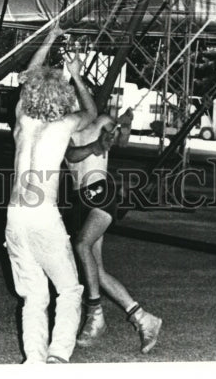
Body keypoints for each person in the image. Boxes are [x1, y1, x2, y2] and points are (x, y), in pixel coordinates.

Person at [5, 24, 97, 365]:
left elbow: (29, 75)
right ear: (61, 97)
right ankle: (58, 355)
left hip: (15, 215)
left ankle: (34, 359)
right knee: (70, 290)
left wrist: (50, 37)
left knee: (34, 295)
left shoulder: (22, 120)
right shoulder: (64, 125)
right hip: (43, 215)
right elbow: (91, 113)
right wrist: (76, 76)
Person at [66, 107, 162, 354]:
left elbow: (122, 140)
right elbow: (72, 156)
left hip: (100, 190)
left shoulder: (102, 121)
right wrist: (94, 145)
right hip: (79, 199)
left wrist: (126, 126)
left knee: (81, 245)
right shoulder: (64, 129)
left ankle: (95, 314)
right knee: (96, 272)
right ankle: (143, 318)